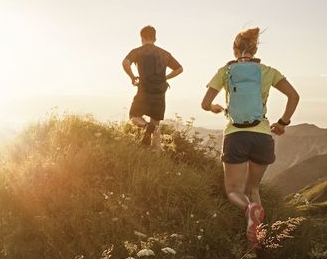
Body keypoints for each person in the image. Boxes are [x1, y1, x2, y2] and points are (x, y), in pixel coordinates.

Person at [200, 27, 300, 247]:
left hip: (236, 135)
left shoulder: (225, 72)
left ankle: (248, 209)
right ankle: (257, 239)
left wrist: (215, 108)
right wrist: (282, 123)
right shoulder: (268, 71)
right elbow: (294, 96)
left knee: (234, 190)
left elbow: (205, 104)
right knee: (252, 188)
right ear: (255, 50)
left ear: (235, 50)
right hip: (262, 137)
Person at [123, 25, 184, 147]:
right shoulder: (165, 53)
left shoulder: (137, 51)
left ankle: (146, 126)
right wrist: (165, 77)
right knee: (156, 125)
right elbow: (179, 68)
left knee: (134, 116)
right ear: (155, 38)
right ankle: (155, 154)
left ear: (142, 38)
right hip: (160, 92)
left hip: (144, 90)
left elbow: (125, 63)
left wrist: (132, 77)